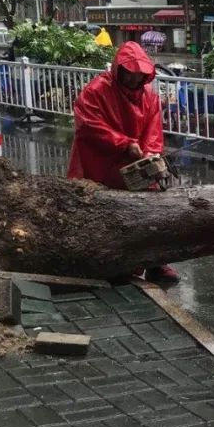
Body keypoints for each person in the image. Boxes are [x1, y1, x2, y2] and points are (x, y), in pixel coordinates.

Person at [68, 42, 178, 286]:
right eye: (130, 75)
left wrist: (150, 153)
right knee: (104, 213)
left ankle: (155, 262)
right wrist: (124, 143)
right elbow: (88, 125)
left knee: (150, 212)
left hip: (136, 163)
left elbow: (153, 129)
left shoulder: (149, 96)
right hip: (101, 163)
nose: (134, 80)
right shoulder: (97, 91)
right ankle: (112, 263)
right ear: (120, 71)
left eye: (139, 76)